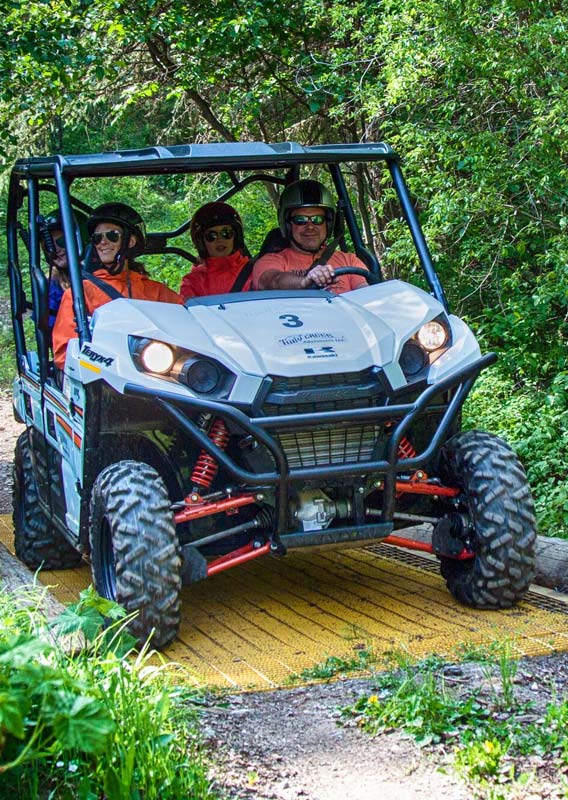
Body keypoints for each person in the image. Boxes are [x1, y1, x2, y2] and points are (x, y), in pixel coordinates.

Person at [52, 202, 182, 369]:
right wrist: (105, 367)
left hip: (159, 375)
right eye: (97, 238)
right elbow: (64, 354)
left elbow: (187, 328)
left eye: (112, 235)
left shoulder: (156, 291)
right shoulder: (80, 293)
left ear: (130, 241)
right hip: (103, 382)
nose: (103, 242)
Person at [252, 179, 369, 294]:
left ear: (328, 224)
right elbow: (273, 281)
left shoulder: (349, 260)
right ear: (287, 225)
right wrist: (304, 282)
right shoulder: (271, 261)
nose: (310, 227)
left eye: (317, 219)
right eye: (300, 220)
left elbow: (367, 296)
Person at [179, 202, 252, 298]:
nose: (220, 239)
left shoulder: (255, 271)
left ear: (236, 237)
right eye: (211, 235)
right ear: (201, 242)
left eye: (226, 233)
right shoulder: (193, 283)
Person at [40, 210, 71, 330]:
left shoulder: (103, 275)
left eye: (61, 242)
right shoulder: (52, 284)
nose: (56, 250)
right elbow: (48, 329)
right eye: (49, 246)